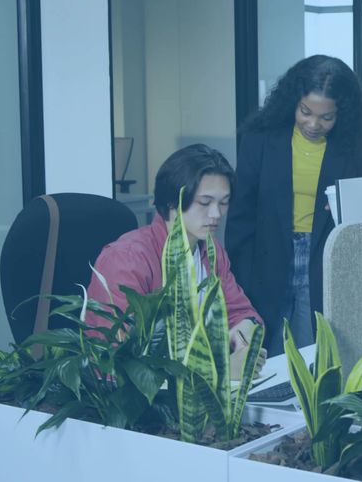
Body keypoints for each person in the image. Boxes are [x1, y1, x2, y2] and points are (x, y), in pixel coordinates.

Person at [226, 55, 362, 355]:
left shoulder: (356, 151)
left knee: (310, 352)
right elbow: (241, 216)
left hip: (322, 259)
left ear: (343, 114)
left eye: (327, 117)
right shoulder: (260, 138)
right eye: (306, 112)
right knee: (265, 352)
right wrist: (237, 281)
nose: (314, 124)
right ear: (293, 102)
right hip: (267, 258)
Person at [86, 144, 265, 375]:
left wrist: (243, 337)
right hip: (134, 400)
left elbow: (242, 312)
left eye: (223, 202)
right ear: (172, 201)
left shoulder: (211, 251)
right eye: (205, 202)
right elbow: (121, 355)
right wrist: (221, 370)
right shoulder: (126, 259)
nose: (216, 214)